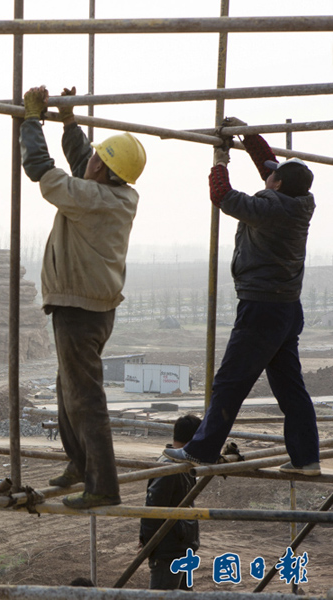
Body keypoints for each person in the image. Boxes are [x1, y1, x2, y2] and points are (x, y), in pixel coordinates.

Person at [164, 117, 320, 477]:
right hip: (285, 308)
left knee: (230, 382)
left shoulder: (270, 209)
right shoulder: (300, 202)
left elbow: (222, 196)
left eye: (272, 176)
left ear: (277, 185)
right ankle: (305, 458)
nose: (268, 176)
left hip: (261, 309)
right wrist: (248, 134)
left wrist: (220, 160)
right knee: (289, 387)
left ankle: (202, 449)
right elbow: (270, 168)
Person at [19, 85, 146, 509]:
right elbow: (82, 162)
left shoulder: (90, 198)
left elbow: (40, 168)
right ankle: (79, 463)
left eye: (97, 159)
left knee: (86, 398)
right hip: (92, 307)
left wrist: (31, 120)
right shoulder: (118, 195)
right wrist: (71, 122)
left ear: (104, 173)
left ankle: (102, 485)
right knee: (67, 389)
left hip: (79, 311)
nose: (90, 159)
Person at [141, 415, 201, 590]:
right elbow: (153, 509)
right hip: (169, 548)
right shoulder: (171, 468)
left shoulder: (181, 463)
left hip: (178, 546)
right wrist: (149, 542)